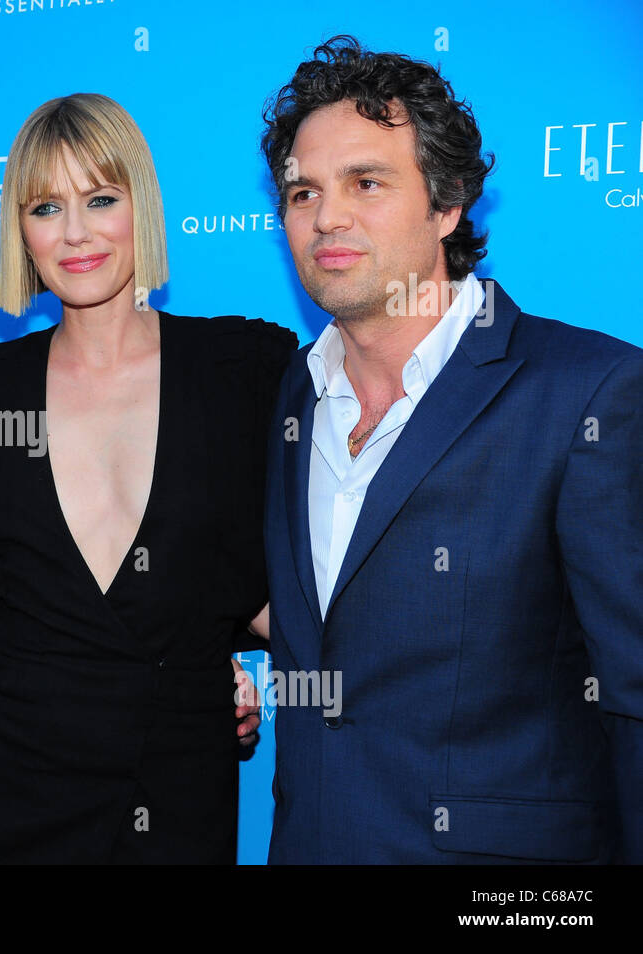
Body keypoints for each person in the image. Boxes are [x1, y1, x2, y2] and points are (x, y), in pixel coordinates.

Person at [260, 36, 643, 863]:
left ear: (447, 203)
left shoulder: (589, 391)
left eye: (366, 182)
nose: (327, 216)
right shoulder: (285, 399)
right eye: (301, 192)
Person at [0, 93, 293, 864]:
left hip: (176, 787)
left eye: (100, 199)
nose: (76, 233)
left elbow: (278, 590)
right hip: (3, 792)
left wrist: (239, 675)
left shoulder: (244, 372)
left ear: (141, 206)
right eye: (47, 207)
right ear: (21, 231)